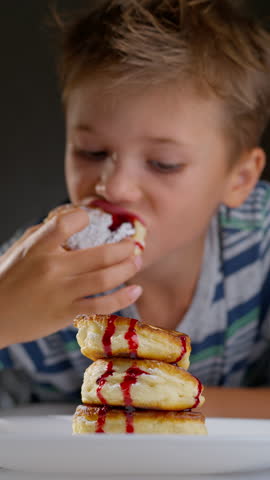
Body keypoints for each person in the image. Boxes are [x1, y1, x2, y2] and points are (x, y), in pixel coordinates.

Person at [1, 0, 270, 417]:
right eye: (92, 152)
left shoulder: (263, 242)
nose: (115, 186)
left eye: (164, 164)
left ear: (238, 178)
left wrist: (164, 399)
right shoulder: (36, 271)